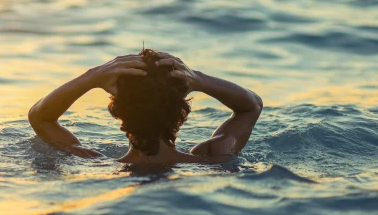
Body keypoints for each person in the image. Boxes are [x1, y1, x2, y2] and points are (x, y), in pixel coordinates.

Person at [27, 49, 262, 163]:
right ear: (182, 110)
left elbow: (40, 118)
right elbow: (252, 107)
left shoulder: (92, 161)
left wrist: (91, 77)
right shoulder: (212, 157)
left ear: (118, 111)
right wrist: (200, 79)